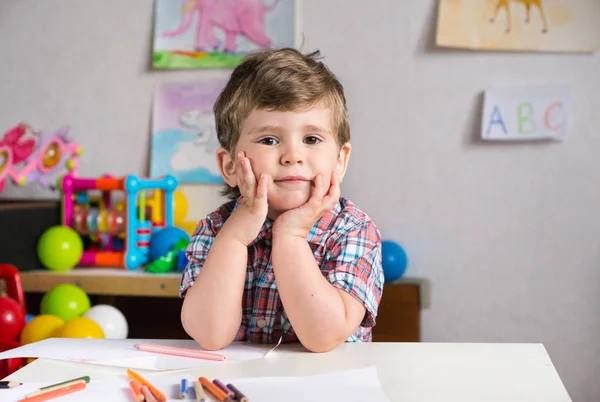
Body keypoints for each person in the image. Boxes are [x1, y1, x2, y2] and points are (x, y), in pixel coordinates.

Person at [179, 47, 384, 353]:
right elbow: (210, 335)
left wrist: (290, 235)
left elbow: (324, 337)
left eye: (311, 139)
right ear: (231, 166)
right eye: (269, 140)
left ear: (340, 161)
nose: (293, 156)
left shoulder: (353, 231)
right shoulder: (216, 229)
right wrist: (235, 237)